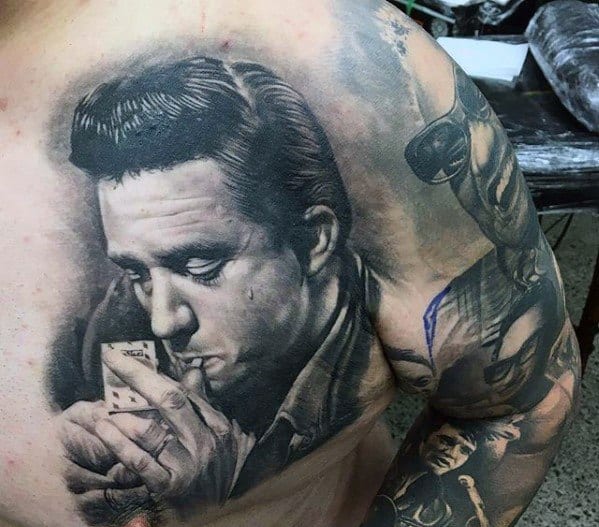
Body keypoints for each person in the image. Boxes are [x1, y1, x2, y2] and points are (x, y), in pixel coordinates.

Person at [0, 1, 580, 527]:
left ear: (316, 240)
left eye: (200, 266)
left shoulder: (366, 57)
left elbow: (517, 403)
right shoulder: (112, 319)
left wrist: (219, 492)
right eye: (136, 274)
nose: (163, 321)